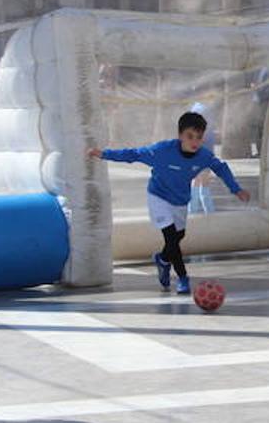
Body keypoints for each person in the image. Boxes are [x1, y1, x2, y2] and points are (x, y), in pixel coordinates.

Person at [88, 110, 250, 294]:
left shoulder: (203, 156)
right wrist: (103, 154)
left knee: (178, 237)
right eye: (190, 136)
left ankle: (163, 259)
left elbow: (221, 168)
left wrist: (236, 189)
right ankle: (182, 278)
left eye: (199, 137)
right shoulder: (162, 151)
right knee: (171, 237)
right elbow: (133, 154)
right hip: (158, 196)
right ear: (180, 135)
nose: (194, 142)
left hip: (180, 201)